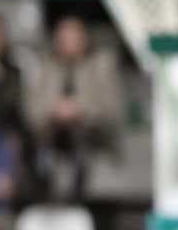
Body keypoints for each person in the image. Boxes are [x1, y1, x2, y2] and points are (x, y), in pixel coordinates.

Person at [24, 15, 122, 202]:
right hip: (51, 133)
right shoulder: (46, 68)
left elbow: (111, 110)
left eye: (74, 39)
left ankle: (77, 196)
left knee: (81, 135)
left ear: (85, 40)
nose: (68, 44)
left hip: (92, 134)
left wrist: (80, 109)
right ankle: (45, 193)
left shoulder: (101, 65)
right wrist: (54, 110)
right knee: (36, 143)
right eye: (64, 40)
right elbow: (32, 109)